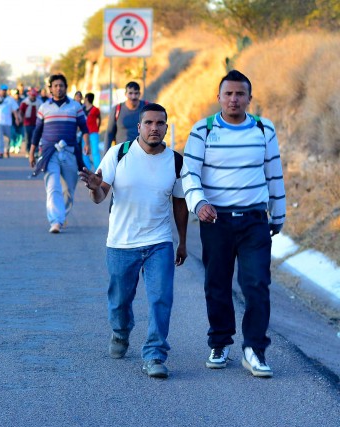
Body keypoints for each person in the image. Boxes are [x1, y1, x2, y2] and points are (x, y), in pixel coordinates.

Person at [181, 69, 286, 378]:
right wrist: (198, 203)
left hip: (254, 220)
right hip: (216, 221)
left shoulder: (264, 130)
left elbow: (274, 174)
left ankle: (254, 349)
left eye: (240, 94)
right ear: (219, 98)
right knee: (217, 284)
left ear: (249, 99)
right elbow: (190, 173)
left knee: (257, 285)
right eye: (228, 93)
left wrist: (277, 215)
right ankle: (220, 342)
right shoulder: (203, 130)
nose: (234, 99)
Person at [81, 103, 188, 378]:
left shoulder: (175, 161)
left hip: (159, 242)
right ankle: (120, 331)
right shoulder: (119, 153)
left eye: (160, 123)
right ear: (138, 127)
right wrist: (94, 188)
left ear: (166, 126)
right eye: (149, 123)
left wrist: (183, 241)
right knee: (119, 301)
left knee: (161, 298)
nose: (155, 128)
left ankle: (154, 354)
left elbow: (179, 204)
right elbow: (100, 194)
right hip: (121, 243)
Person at [29, 74, 89, 233]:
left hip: (70, 151)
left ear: (66, 87)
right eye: (55, 85)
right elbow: (37, 131)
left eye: (61, 85)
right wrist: (32, 151)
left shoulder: (75, 106)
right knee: (53, 187)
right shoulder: (44, 107)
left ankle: (61, 215)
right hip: (50, 152)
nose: (58, 88)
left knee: (68, 190)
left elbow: (84, 127)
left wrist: (87, 144)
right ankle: (56, 221)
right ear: (50, 88)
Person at [106, 81, 147, 147]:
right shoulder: (116, 110)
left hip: (142, 151)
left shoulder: (147, 108)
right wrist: (106, 155)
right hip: (124, 151)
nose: (133, 97)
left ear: (139, 94)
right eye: (130, 93)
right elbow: (109, 133)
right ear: (125, 94)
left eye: (136, 93)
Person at [0, 84, 21, 159]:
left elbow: (15, 110)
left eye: (5, 90)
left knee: (8, 137)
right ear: (0, 90)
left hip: (7, 122)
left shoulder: (10, 99)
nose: (4, 92)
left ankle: (7, 150)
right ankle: (0, 152)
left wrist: (17, 119)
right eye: (2, 90)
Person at [83, 92, 102, 169]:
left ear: (87, 98)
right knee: (85, 152)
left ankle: (97, 169)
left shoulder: (95, 109)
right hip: (84, 133)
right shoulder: (82, 109)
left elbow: (99, 119)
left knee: (95, 151)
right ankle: (87, 169)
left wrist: (98, 127)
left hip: (93, 132)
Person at [19, 88, 40, 157]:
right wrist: (21, 119)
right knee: (28, 138)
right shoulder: (25, 102)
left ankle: (36, 152)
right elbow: (21, 112)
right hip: (27, 123)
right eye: (32, 95)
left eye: (34, 95)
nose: (33, 97)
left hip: (36, 123)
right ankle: (28, 151)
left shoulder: (39, 102)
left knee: (35, 137)